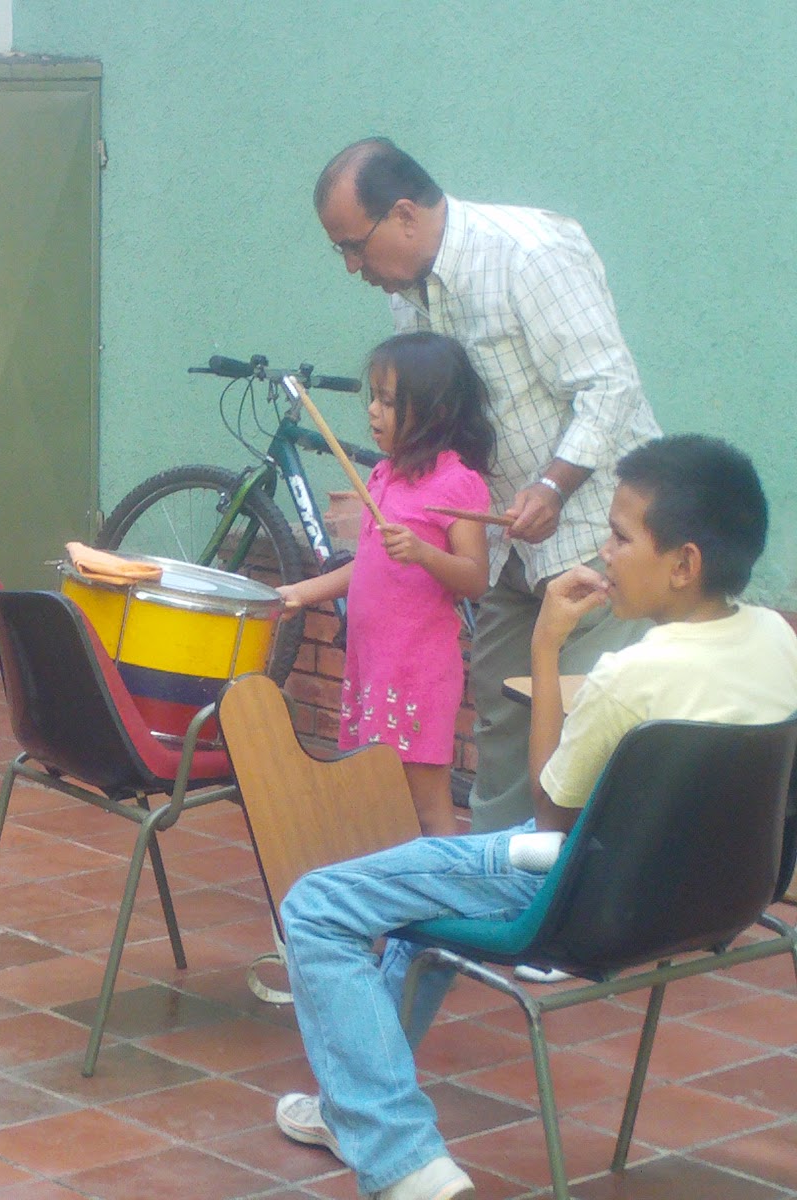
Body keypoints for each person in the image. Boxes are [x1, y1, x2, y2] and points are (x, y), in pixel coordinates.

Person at [270, 434, 797, 1200]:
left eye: (620, 536)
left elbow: (550, 810)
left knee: (316, 906)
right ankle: (351, 1106)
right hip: (711, 899)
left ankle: (402, 1158)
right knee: (419, 908)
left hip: (578, 898)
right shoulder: (778, 640)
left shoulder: (629, 676)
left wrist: (547, 645)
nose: (605, 552)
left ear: (683, 564)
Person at [314, 137, 662, 833]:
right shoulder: (407, 293)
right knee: (503, 712)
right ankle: (498, 876)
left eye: (354, 245)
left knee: (587, 722)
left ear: (404, 214)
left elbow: (609, 384)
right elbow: (440, 420)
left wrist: (554, 485)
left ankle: (575, 884)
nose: (353, 267)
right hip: (501, 543)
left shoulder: (528, 254)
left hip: (595, 532)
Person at [277, 333, 494, 836]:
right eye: (373, 397)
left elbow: (476, 579)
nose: (373, 411)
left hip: (416, 672)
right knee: (374, 791)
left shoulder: (458, 483)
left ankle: (446, 882)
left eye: (389, 401)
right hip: (371, 665)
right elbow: (371, 566)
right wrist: (300, 594)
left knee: (427, 803)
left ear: (436, 410)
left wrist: (423, 553)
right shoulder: (382, 475)